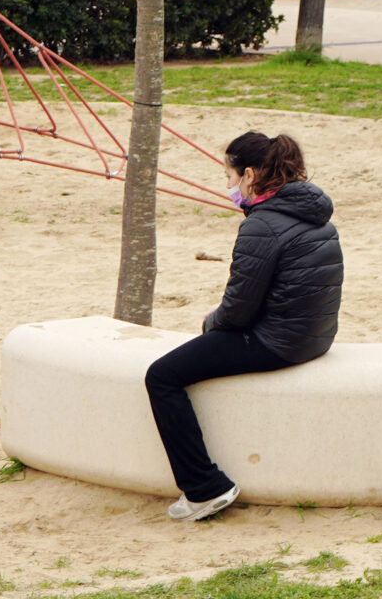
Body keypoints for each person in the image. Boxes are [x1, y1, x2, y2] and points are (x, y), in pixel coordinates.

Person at [144, 131, 343, 521]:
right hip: (315, 336)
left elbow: (236, 313)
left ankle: (204, 489)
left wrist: (210, 322)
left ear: (249, 175)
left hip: (279, 342)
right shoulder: (311, 210)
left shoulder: (263, 224)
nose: (229, 186)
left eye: (229, 177)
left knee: (161, 376)